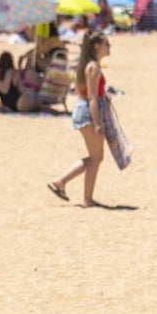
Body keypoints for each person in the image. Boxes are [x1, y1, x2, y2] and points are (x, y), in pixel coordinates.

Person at [47, 31, 110, 207]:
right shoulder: (94, 67)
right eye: (106, 44)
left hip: (81, 109)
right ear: (97, 46)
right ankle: (83, 196)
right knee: (96, 157)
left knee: (95, 157)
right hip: (87, 111)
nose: (109, 47)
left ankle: (63, 183)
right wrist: (98, 124)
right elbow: (92, 98)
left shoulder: (87, 65)